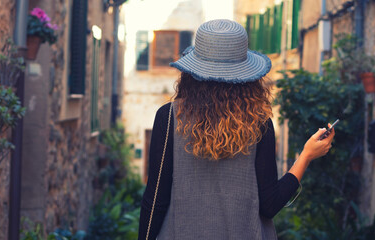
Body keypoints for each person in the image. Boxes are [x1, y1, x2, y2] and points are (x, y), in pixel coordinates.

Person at [138, 19, 335, 240]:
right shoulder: (260, 123)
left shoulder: (169, 117)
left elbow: (155, 199)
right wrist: (306, 155)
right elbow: (269, 206)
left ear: (191, 72)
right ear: (247, 77)